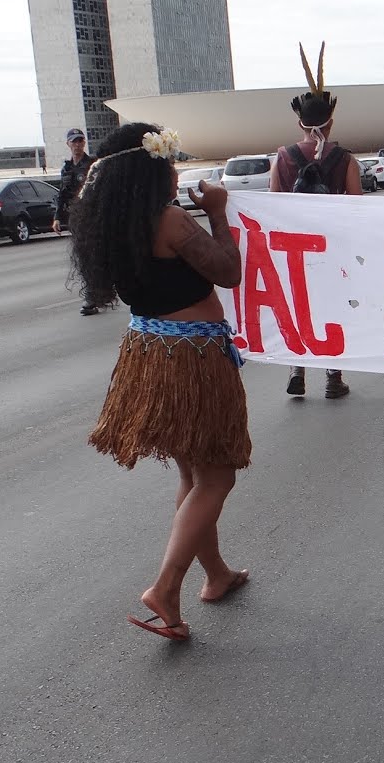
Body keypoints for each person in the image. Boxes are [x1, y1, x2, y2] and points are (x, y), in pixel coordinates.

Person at [69, 121, 251, 643]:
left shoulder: (112, 224)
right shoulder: (168, 221)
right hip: (191, 356)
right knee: (217, 477)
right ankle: (165, 586)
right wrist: (217, 212)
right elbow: (227, 271)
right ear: (148, 170)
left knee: (193, 475)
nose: (174, 172)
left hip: (148, 352)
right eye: (168, 164)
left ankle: (215, 575)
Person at [270, 43, 360, 399]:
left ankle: (297, 369)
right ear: (331, 122)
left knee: (299, 305)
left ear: (300, 123)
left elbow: (273, 204)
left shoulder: (282, 157)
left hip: (295, 246)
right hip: (332, 246)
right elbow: (357, 208)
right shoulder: (345, 159)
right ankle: (333, 376)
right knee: (330, 307)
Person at [55, 127, 102, 315]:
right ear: (68, 144)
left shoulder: (93, 165)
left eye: (80, 141)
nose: (77, 144)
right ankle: (93, 294)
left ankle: (96, 293)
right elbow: (62, 194)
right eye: (74, 141)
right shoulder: (66, 168)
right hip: (76, 219)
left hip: (92, 218)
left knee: (94, 256)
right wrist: (57, 217)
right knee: (84, 256)